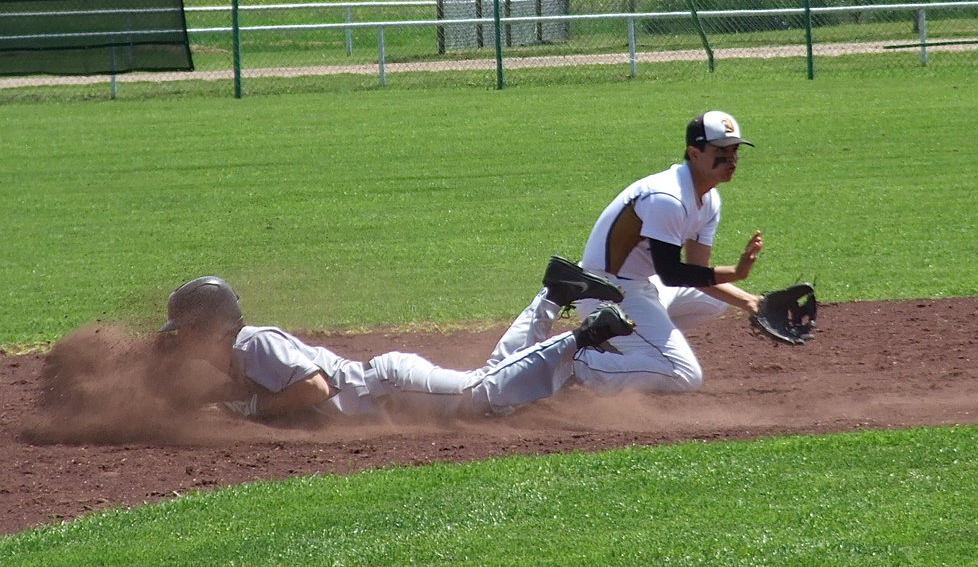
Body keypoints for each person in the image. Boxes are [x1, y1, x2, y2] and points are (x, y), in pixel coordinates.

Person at [160, 260, 631, 422]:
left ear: (208, 326)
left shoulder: (252, 344)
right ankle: (555, 294)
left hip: (390, 387)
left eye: (185, 330)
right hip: (389, 389)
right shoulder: (232, 362)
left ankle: (584, 335)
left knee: (480, 394)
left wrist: (252, 410)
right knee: (487, 380)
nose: (180, 339)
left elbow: (314, 389)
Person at [569, 110, 766, 394]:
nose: (731, 160)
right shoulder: (668, 198)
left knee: (714, 300)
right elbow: (671, 274)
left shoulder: (709, 198)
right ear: (694, 153)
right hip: (606, 290)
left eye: (734, 151)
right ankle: (576, 363)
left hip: (637, 284)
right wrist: (736, 273)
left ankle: (622, 346)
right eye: (721, 152)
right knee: (683, 375)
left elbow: (698, 272)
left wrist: (750, 302)